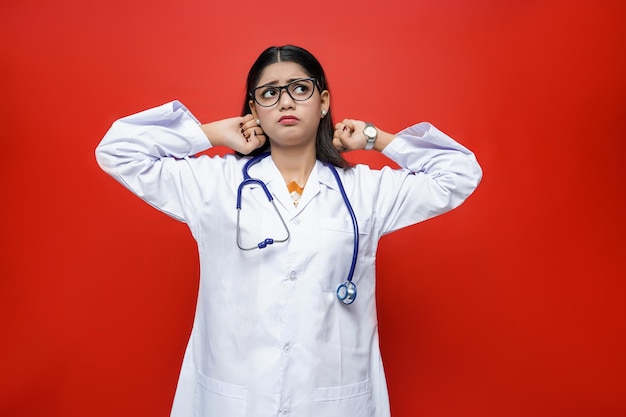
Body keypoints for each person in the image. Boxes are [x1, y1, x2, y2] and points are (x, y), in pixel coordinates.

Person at [95, 44, 482, 417]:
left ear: (323, 102)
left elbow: (460, 174)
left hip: (331, 399)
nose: (285, 102)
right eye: (269, 93)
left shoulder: (366, 191)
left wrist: (372, 138)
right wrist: (212, 133)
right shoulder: (212, 185)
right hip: (236, 397)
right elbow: (117, 150)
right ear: (253, 110)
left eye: (300, 89)